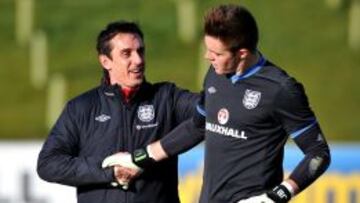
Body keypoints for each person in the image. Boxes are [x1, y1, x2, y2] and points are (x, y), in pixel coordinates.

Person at [111, 4, 331, 203]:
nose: (208, 57)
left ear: (242, 53)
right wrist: (139, 158)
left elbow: (318, 153)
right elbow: (197, 126)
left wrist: (277, 196)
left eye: (216, 52)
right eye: (207, 48)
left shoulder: (281, 89)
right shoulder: (216, 73)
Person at [37, 20, 199, 203]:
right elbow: (48, 164)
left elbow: (209, 111)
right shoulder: (80, 107)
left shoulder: (167, 97)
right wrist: (108, 170)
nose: (138, 60)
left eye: (140, 51)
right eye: (126, 53)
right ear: (106, 61)